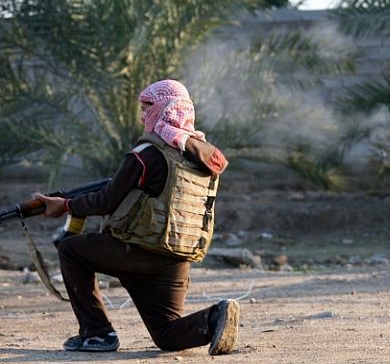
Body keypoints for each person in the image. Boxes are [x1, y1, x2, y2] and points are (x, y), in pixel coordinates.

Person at [34, 79, 240, 354]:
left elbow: (107, 200)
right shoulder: (201, 155)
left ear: (165, 109)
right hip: (176, 258)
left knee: (71, 250)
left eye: (148, 108)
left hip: (137, 249)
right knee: (166, 335)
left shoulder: (147, 154)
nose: (144, 115)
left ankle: (97, 334)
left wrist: (65, 205)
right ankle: (215, 317)